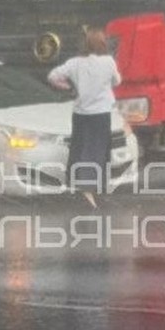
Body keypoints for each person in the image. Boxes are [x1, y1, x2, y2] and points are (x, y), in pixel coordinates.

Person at [47, 28, 121, 207]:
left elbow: (52, 76)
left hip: (80, 113)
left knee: (80, 149)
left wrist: (67, 87)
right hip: (101, 113)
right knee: (98, 151)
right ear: (103, 44)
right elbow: (117, 81)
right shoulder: (109, 62)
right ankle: (90, 190)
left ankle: (78, 186)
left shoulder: (75, 63)